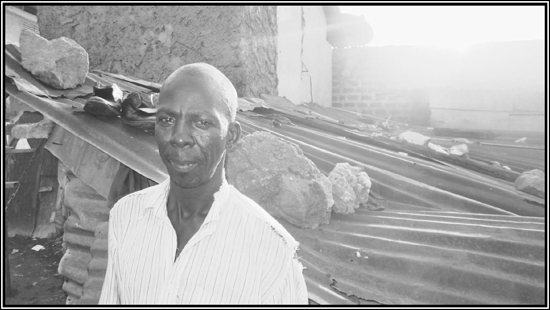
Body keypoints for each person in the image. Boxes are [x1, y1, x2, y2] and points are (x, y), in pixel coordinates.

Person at [99, 63, 309, 304]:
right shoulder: (126, 216)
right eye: (166, 119)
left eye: (201, 123)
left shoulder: (270, 249)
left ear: (231, 136)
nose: (178, 137)